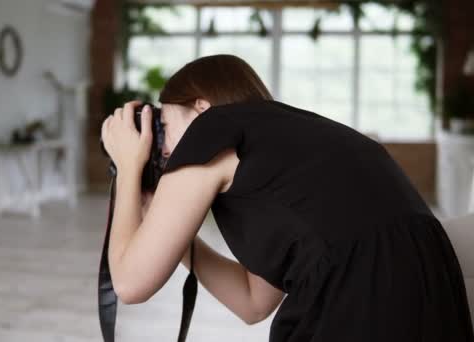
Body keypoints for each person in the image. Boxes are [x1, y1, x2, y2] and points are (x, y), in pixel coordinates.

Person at [99, 54, 474, 341]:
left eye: (162, 126)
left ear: (200, 107)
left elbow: (131, 285)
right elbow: (252, 302)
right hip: (434, 302)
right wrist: (172, 237)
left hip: (359, 305)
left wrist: (130, 166)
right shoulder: (293, 136)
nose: (162, 151)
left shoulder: (212, 129)